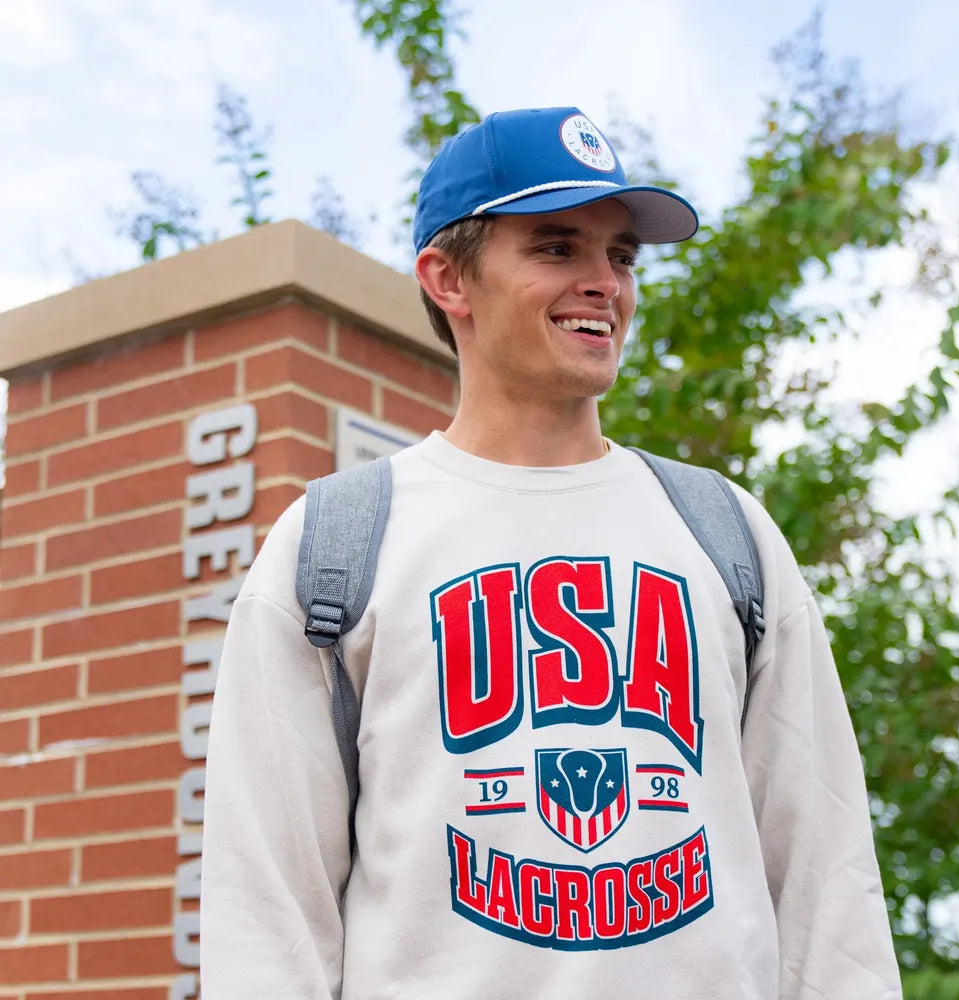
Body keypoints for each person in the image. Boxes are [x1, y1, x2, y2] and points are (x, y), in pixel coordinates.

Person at [200, 106, 902, 999]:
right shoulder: (336, 544)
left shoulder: (723, 530)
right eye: (557, 248)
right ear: (447, 278)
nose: (604, 283)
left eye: (620, 256)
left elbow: (825, 874)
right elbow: (264, 910)